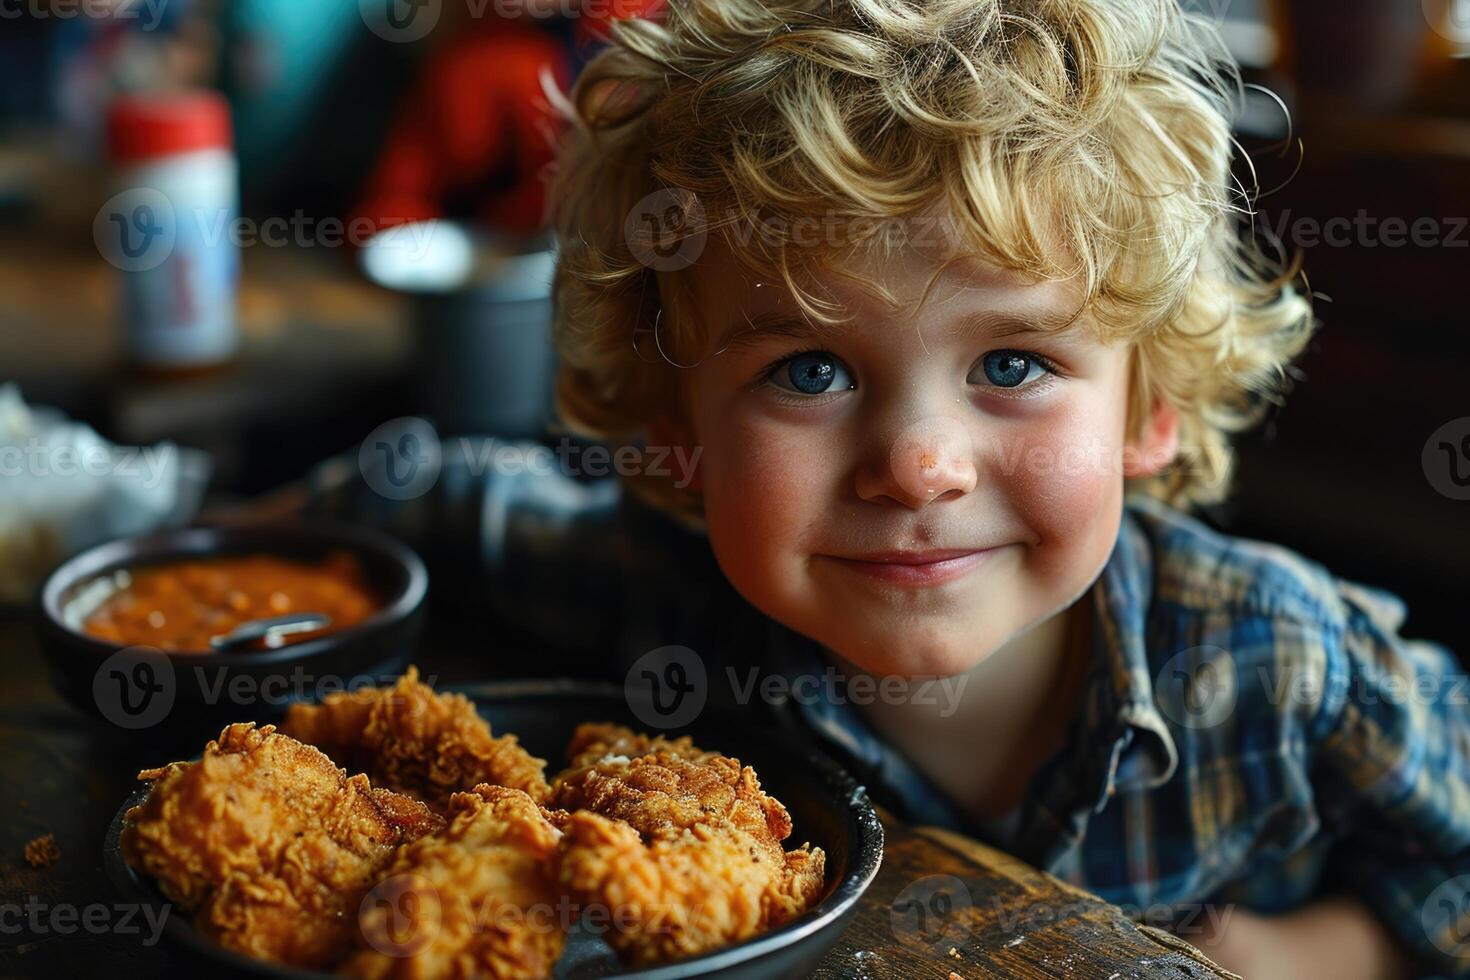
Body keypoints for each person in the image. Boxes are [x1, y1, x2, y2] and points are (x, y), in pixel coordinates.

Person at [304, 2, 1468, 976]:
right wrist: (281, 514)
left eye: (1011, 364)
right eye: (808, 370)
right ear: (676, 434)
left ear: (1146, 407)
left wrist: (1322, 948)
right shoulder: (651, 592)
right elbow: (446, 502)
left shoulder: (1287, 660)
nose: (918, 462)